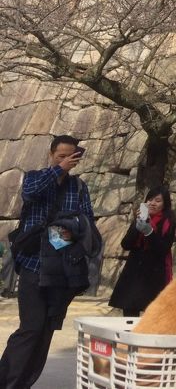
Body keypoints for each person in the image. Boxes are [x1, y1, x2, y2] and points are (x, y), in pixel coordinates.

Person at [0, 135, 97, 389]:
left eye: (70, 156)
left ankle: (24, 383)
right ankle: (6, 381)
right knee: (30, 328)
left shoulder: (79, 187)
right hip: (33, 265)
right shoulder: (35, 177)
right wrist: (58, 171)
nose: (65, 161)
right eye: (60, 156)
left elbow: (87, 222)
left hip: (63, 271)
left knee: (46, 332)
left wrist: (67, 232)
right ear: (51, 154)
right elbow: (30, 193)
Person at [109, 186, 176, 317]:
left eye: (157, 201)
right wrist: (138, 225)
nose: (152, 203)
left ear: (165, 204)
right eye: (150, 200)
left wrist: (149, 232)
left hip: (155, 273)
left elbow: (163, 248)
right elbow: (126, 244)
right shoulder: (141, 217)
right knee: (129, 312)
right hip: (134, 271)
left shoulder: (168, 222)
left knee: (152, 313)